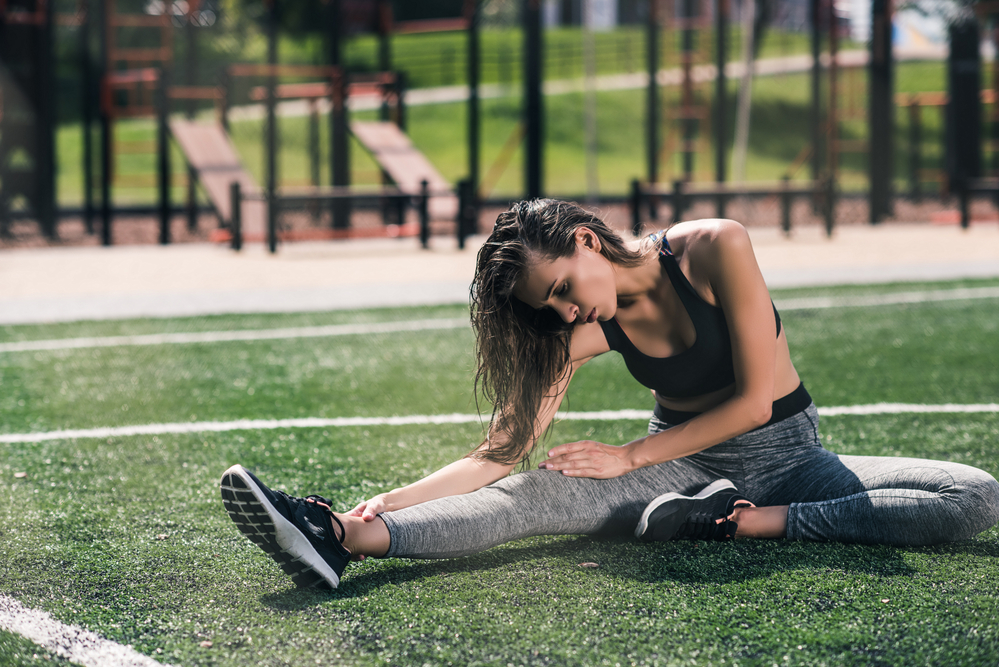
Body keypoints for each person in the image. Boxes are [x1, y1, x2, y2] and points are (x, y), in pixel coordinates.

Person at [220, 199, 999, 590]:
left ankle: (739, 525)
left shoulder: (713, 246)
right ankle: (333, 538)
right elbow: (503, 447)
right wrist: (383, 501)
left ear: (586, 240)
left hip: (791, 463)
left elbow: (756, 400)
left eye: (561, 288)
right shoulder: (581, 328)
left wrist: (631, 454)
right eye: (547, 309)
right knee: (532, 495)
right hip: (678, 474)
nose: (564, 313)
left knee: (971, 497)